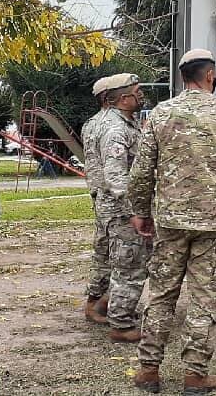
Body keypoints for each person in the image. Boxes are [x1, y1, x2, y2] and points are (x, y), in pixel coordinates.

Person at [129, 49, 216, 394]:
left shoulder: (160, 114)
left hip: (171, 221)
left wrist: (141, 212)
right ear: (211, 75)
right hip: (214, 224)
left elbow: (141, 172)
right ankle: (195, 375)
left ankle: (148, 371)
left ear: (183, 77)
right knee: (204, 298)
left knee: (161, 295)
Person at [94, 73, 151, 343]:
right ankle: (121, 323)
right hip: (122, 210)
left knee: (119, 262)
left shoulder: (123, 124)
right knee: (130, 265)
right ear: (120, 99)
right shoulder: (115, 129)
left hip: (115, 208)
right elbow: (116, 177)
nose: (140, 95)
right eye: (135, 92)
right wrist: (136, 211)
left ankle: (109, 307)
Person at [82, 76, 113, 324]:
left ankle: (97, 302)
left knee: (103, 251)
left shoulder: (90, 124)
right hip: (113, 198)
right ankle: (102, 303)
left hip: (99, 195)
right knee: (118, 253)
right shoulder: (110, 125)